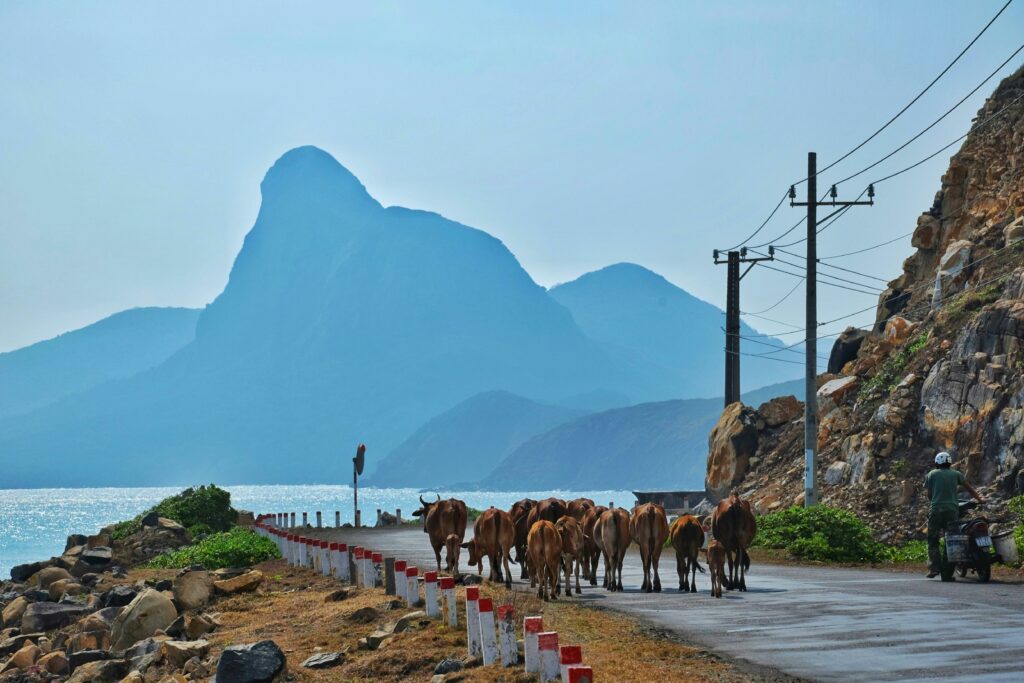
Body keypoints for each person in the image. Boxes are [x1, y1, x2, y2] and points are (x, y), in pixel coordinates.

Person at [924, 451, 984, 579]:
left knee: (932, 539)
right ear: (950, 462)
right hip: (952, 511)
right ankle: (946, 574)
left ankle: (934, 568)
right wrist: (980, 499)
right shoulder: (956, 474)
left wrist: (936, 500)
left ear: (937, 463)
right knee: (950, 540)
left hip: (935, 510)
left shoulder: (931, 474)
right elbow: (969, 488)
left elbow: (929, 495)